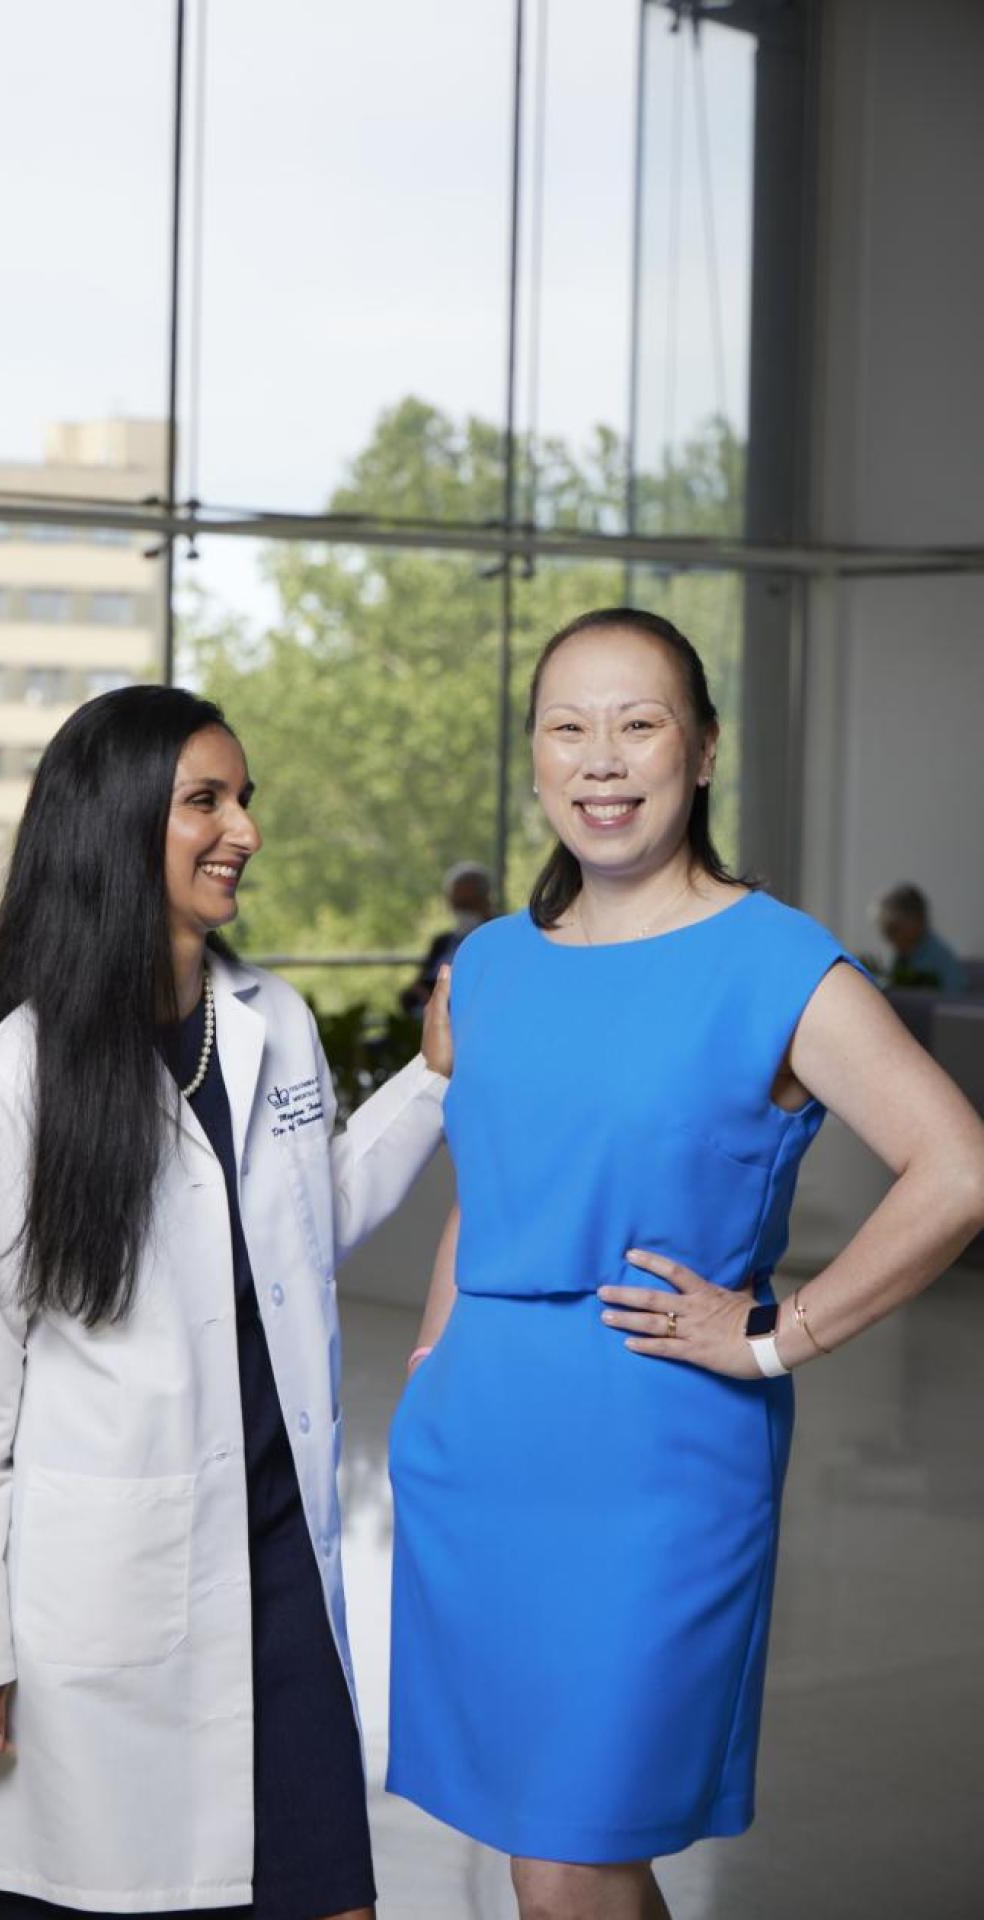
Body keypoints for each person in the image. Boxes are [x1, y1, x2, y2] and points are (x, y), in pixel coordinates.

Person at [386, 608, 984, 1920]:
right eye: (568, 727)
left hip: (658, 1452)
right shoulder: (485, 968)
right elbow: (486, 1194)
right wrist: (430, 1366)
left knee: (567, 1865)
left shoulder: (773, 959)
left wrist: (783, 1333)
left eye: (639, 723)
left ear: (703, 751)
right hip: (477, 1450)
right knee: (560, 1857)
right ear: (536, 758)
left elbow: (959, 1169)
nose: (602, 759)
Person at [0, 686, 453, 1920]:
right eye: (203, 801)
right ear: (111, 829)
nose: (242, 830)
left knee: (329, 1897)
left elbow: (308, 1227)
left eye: (243, 799)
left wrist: (428, 1079)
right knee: (115, 1887)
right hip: (104, 1595)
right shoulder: (2, 1093)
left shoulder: (272, 1025)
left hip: (277, 1563)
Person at [399, 861, 495, 1015]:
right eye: (457, 905)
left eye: (467, 904)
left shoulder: (500, 940)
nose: (462, 912)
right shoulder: (443, 942)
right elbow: (418, 986)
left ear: (485, 900)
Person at [875, 881, 968, 992]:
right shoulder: (903, 957)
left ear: (917, 921)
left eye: (894, 929)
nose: (889, 939)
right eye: (886, 932)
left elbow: (956, 998)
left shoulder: (938, 957)